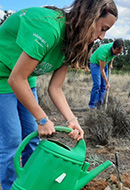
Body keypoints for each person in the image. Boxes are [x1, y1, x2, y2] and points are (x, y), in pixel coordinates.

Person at [0, 0, 118, 189]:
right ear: (90, 17)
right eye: (103, 28)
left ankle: (34, 185)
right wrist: (42, 119)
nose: (102, 37)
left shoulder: (72, 40)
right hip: (3, 75)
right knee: (13, 143)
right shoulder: (49, 28)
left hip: (25, 77)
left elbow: (55, 88)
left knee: (33, 141)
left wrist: (72, 120)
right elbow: (15, 80)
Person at [89, 39, 124, 109]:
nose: (117, 54)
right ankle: (92, 105)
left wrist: (111, 64)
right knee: (97, 85)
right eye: (116, 52)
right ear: (113, 48)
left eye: (119, 53)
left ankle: (100, 105)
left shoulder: (116, 47)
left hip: (105, 63)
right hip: (95, 63)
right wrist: (107, 82)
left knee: (104, 86)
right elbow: (102, 70)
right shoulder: (104, 52)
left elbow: (113, 56)